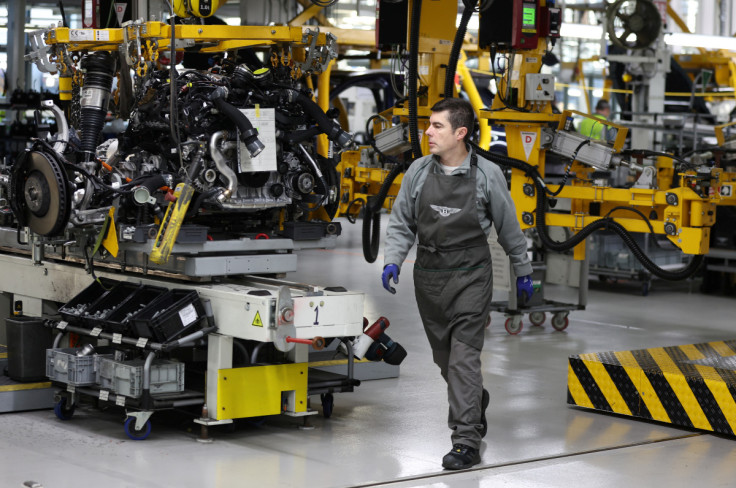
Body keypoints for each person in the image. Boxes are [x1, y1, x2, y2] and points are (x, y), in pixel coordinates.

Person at [380, 98, 533, 470]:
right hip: (429, 277)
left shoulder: (487, 174)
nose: (427, 133)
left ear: (460, 133)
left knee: (463, 359)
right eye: (428, 125)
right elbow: (401, 222)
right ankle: (473, 399)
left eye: (437, 126)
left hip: (471, 275)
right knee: (445, 359)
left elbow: (507, 224)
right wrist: (392, 259)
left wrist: (522, 267)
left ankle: (466, 440)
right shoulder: (417, 171)